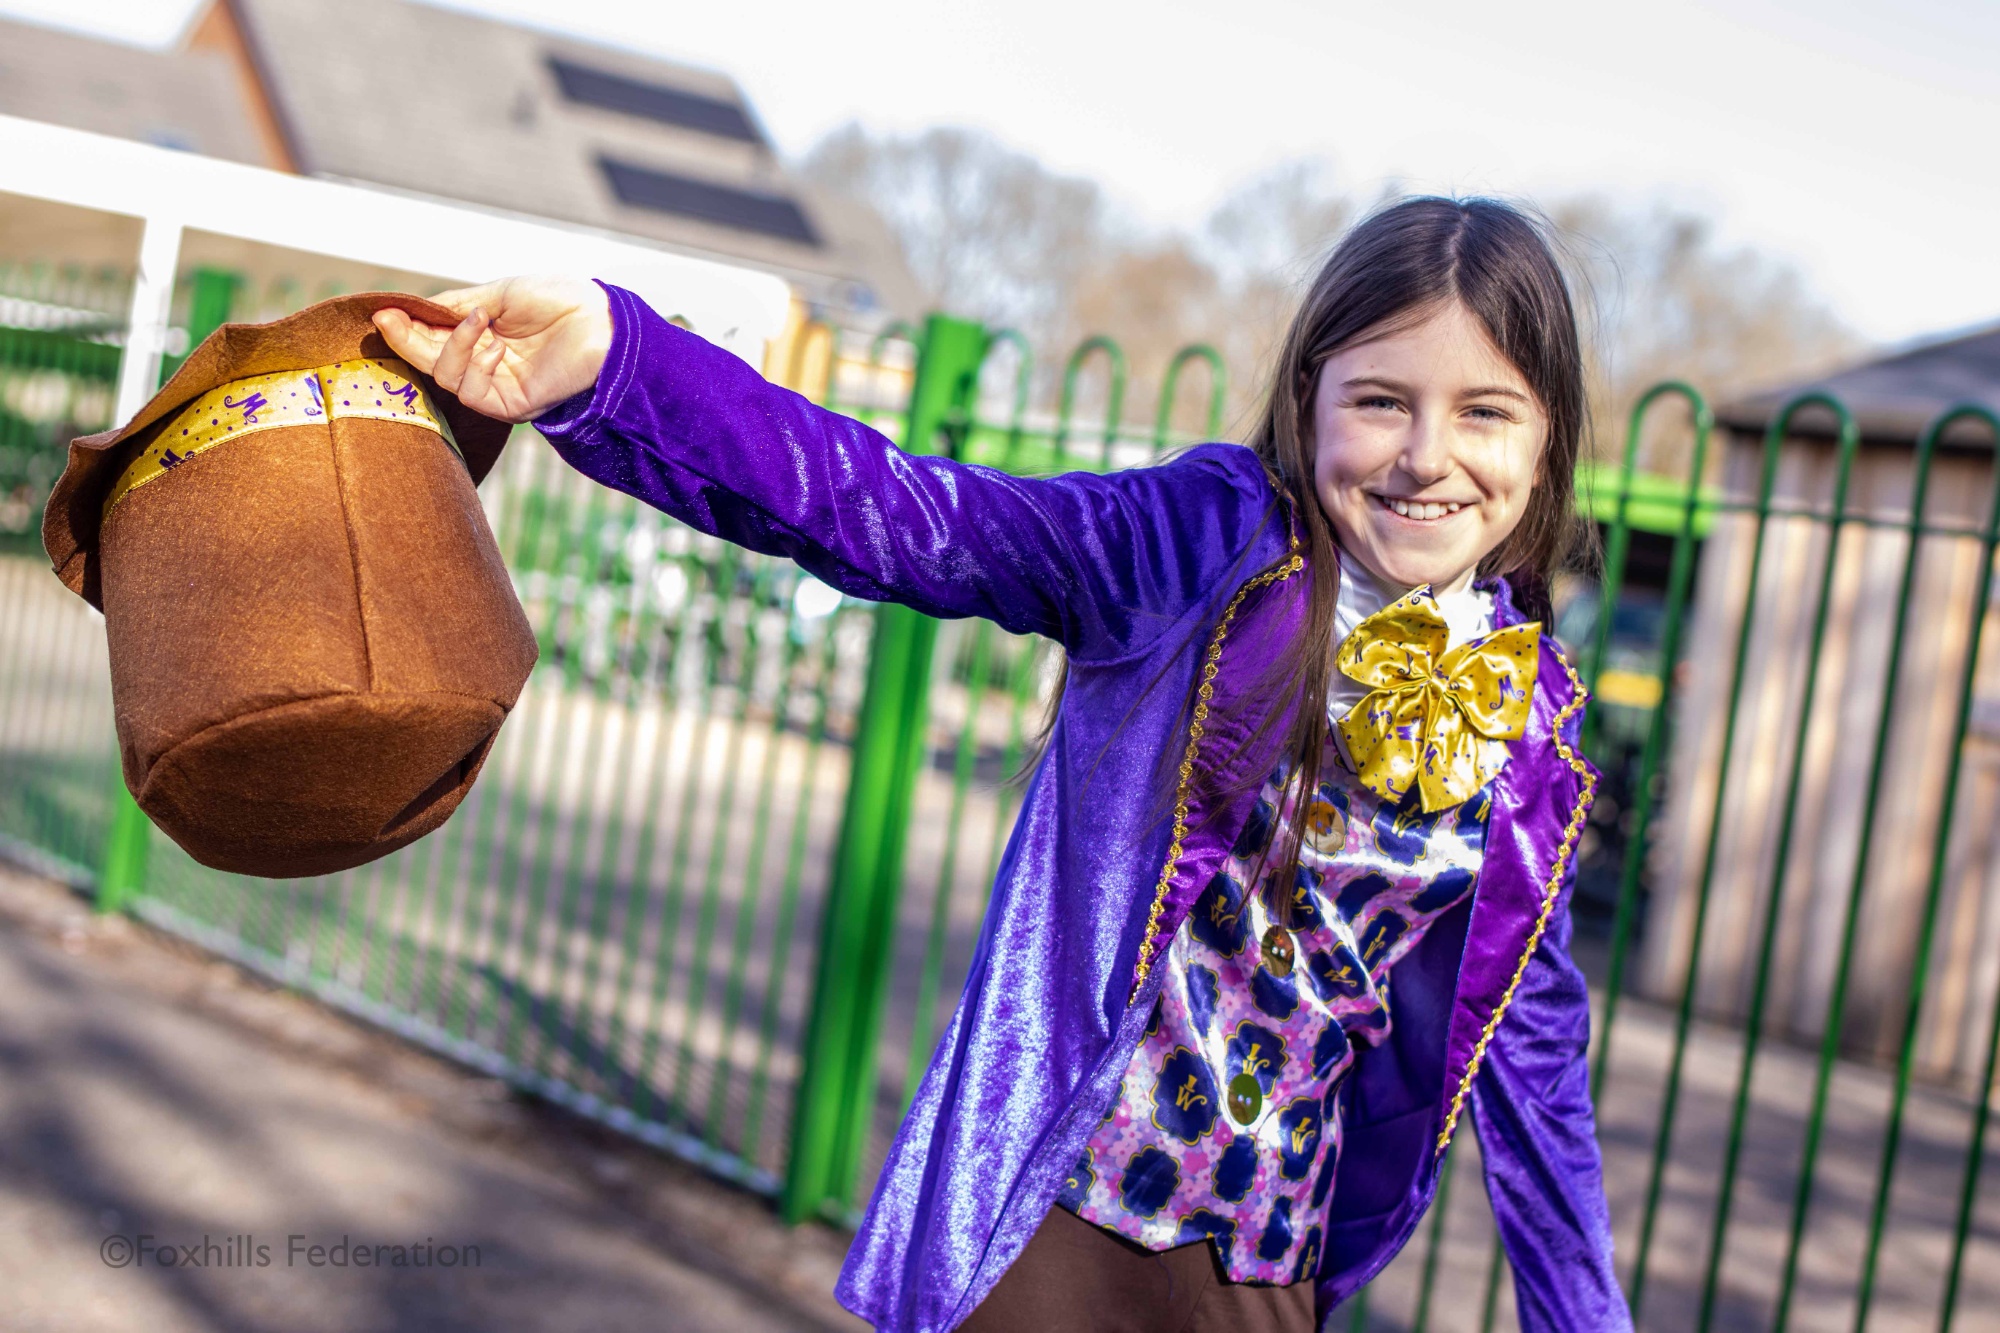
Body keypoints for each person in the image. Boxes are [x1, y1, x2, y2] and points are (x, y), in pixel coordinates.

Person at [373, 196, 1631, 1333]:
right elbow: (914, 515)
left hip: (1265, 1278)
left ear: (1545, 438)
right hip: (1053, 1238)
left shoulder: (1535, 733)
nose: (1426, 455)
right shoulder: (1198, 546)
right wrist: (618, 363)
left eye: (1482, 412)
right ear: (1309, 394)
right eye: (1380, 400)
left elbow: (1534, 1070)